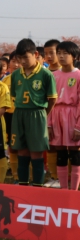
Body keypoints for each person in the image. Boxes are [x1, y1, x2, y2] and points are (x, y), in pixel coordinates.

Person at [10, 39, 57, 186]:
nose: (22, 61)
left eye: (26, 57)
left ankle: (38, 186)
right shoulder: (15, 75)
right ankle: (23, 184)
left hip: (37, 114)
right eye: (19, 58)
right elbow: (13, 96)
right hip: (19, 114)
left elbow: (52, 99)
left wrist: (43, 115)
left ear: (36, 54)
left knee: (36, 152)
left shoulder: (46, 74)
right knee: (22, 151)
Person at [49, 41, 80, 190]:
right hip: (56, 116)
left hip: (73, 115)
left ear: (74, 56)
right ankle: (63, 189)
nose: (61, 56)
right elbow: (48, 101)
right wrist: (48, 123)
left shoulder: (78, 75)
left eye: (65, 53)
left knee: (75, 154)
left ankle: (74, 190)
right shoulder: (53, 75)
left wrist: (79, 127)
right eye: (59, 53)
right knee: (60, 152)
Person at [43, 39, 63, 186]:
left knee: (68, 146)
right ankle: (54, 177)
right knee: (51, 146)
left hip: (66, 113)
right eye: (46, 53)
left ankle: (68, 177)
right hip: (48, 113)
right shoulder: (43, 73)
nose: (49, 56)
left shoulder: (68, 72)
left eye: (52, 52)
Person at [3, 52, 19, 180]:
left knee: (26, 149)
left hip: (24, 116)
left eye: (19, 61)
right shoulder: (5, 80)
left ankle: (27, 177)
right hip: (9, 116)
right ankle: (15, 176)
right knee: (12, 147)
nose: (16, 64)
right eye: (13, 61)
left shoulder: (29, 79)